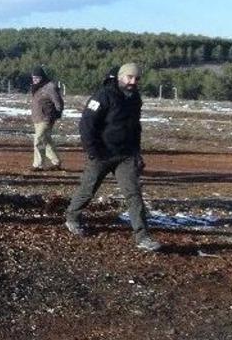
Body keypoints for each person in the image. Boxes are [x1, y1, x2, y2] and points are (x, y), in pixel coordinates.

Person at [65, 63, 161, 252]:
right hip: (102, 154)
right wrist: (93, 151)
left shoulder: (135, 98)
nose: (133, 81)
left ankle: (143, 236)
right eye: (129, 77)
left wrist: (136, 153)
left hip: (126, 156)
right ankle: (72, 217)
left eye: (136, 78)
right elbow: (86, 124)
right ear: (120, 77)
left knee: (134, 194)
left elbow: (135, 127)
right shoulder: (103, 95)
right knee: (88, 190)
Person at [29, 65, 64, 171]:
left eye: (37, 78)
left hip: (46, 118)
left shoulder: (50, 87)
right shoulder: (37, 87)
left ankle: (38, 165)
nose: (35, 80)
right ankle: (56, 162)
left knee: (39, 140)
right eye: (33, 78)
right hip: (38, 118)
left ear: (42, 77)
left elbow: (58, 102)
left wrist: (58, 112)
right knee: (47, 141)